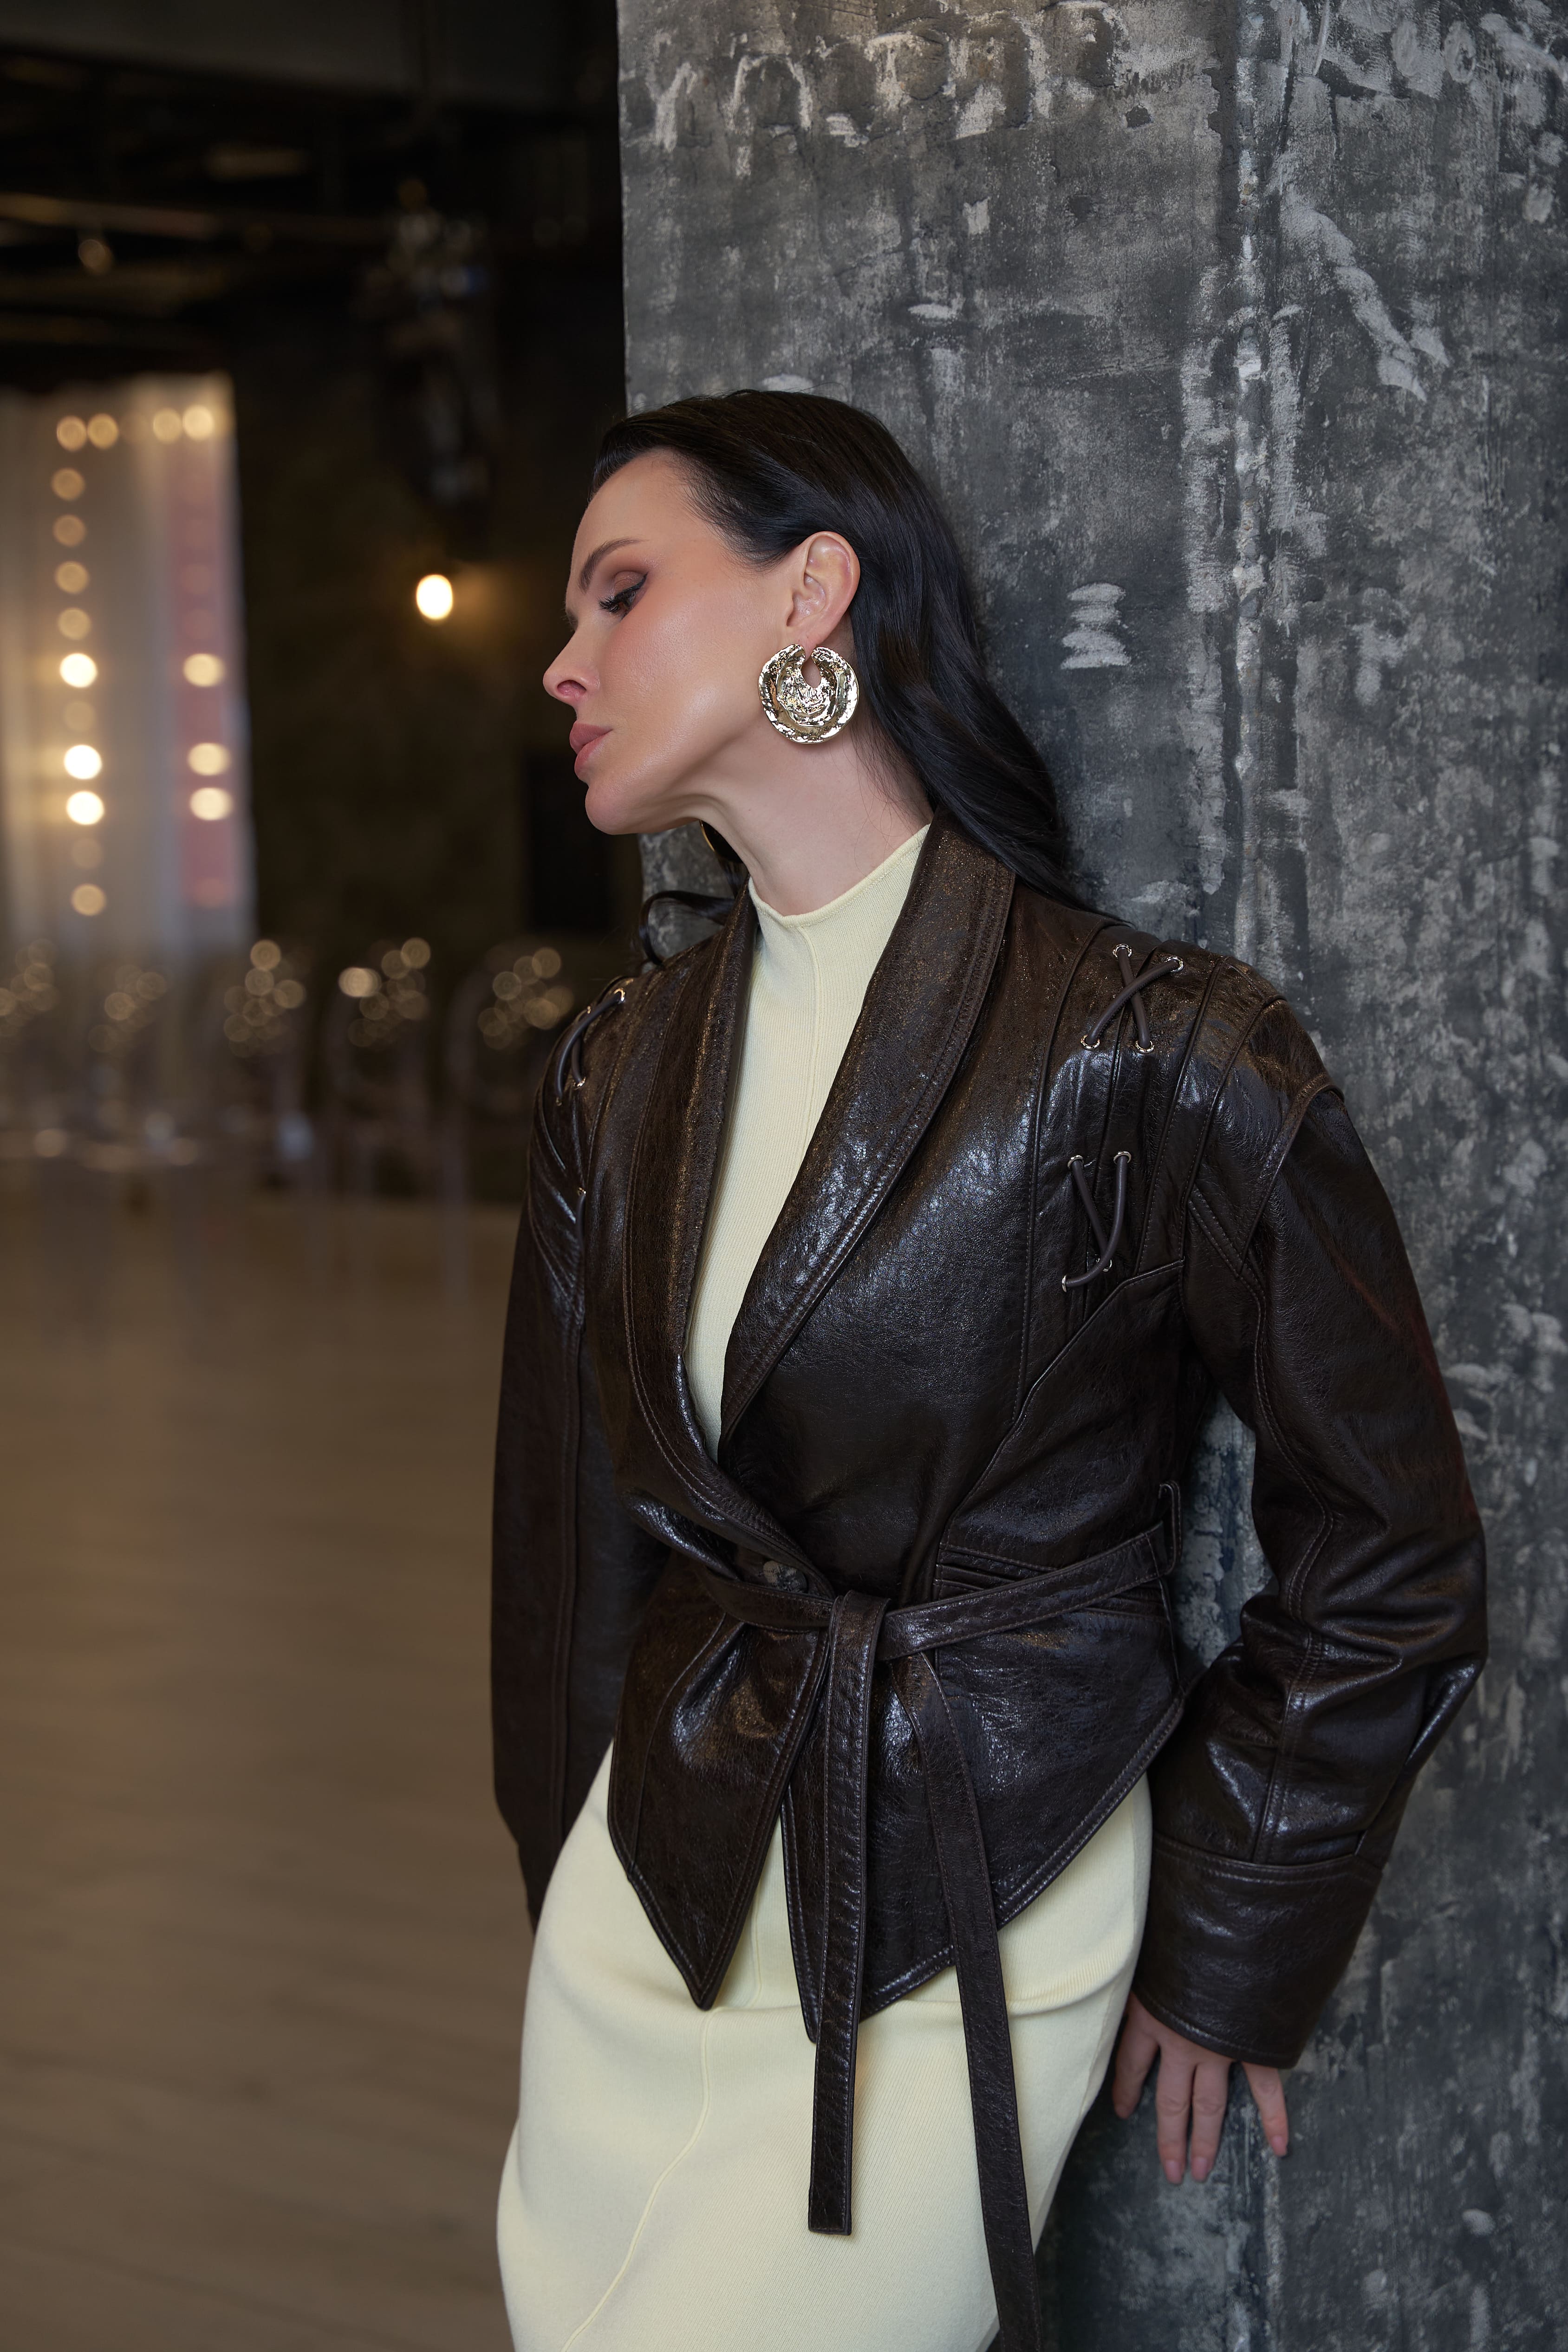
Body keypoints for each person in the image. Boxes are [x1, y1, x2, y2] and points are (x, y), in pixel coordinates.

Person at [489, 391, 1485, 2352]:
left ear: (811, 594)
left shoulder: (1159, 1050)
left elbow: (1390, 1544)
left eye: (620, 591)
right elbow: (567, 1556)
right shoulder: (617, 1070)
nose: (563, 662)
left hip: (972, 1896)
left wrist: (1233, 1935)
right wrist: (561, 1870)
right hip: (646, 1910)